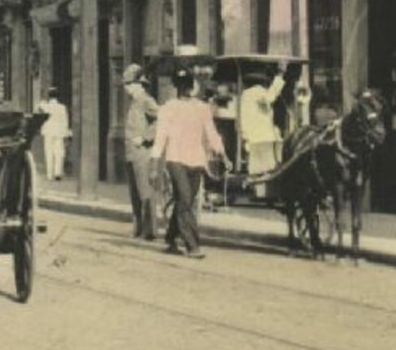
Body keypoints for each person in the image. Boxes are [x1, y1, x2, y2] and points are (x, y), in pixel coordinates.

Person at [152, 67, 227, 259]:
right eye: (183, 85)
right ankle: (193, 245)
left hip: (196, 160)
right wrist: (154, 166)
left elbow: (211, 134)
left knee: (185, 201)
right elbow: (160, 138)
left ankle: (170, 237)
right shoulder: (168, 108)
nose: (187, 88)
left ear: (193, 86)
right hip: (175, 159)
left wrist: (223, 155)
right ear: (177, 87)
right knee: (185, 199)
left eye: (189, 85)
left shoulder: (202, 108)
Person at [122, 64, 164, 241]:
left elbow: (161, 119)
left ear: (139, 84)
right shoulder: (134, 102)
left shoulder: (146, 100)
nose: (126, 88)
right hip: (132, 154)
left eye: (129, 83)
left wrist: (146, 137)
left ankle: (149, 231)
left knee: (145, 192)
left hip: (142, 153)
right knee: (135, 194)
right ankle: (139, 229)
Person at [239, 65, 289, 197]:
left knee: (276, 140)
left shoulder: (245, 94)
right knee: (274, 147)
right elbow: (270, 97)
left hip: (256, 132)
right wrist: (280, 76)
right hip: (259, 134)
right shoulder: (256, 92)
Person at [38, 87, 71, 181]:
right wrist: (66, 133)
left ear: (49, 96)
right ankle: (58, 172)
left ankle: (49, 174)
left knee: (49, 152)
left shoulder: (45, 106)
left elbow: (39, 106)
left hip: (48, 131)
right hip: (59, 132)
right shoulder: (62, 107)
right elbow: (65, 121)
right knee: (59, 152)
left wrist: (43, 100)